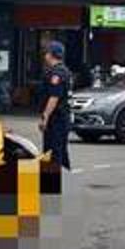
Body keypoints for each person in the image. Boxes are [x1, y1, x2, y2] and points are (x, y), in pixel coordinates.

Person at [38, 40, 72, 169]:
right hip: (61, 118)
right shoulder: (64, 71)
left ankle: (53, 178)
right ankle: (65, 176)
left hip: (56, 119)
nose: (44, 55)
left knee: (53, 152)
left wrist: (45, 117)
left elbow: (54, 97)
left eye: (46, 52)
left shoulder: (56, 73)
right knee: (60, 152)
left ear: (51, 54)